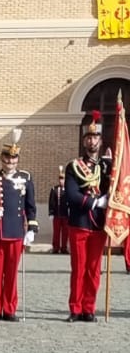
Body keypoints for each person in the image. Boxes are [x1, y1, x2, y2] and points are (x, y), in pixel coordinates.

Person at [0, 130, 36, 320]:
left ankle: (9, 309)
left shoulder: (26, 178)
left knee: (11, 274)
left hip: (16, 232)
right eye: (7, 158)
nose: (10, 161)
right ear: (1, 158)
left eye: (14, 158)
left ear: (17, 159)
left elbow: (30, 206)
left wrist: (32, 229)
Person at [65, 111, 112, 322]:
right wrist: (95, 202)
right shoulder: (74, 166)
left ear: (101, 141)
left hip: (99, 225)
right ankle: (75, 308)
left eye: (95, 137)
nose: (92, 141)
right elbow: (71, 194)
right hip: (80, 223)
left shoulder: (107, 166)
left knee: (94, 270)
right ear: (84, 141)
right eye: (89, 137)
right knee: (79, 269)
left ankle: (89, 308)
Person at [48, 165, 68, 253]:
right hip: (57, 214)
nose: (61, 181)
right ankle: (55, 248)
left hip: (66, 215)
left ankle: (64, 248)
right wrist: (51, 213)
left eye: (63, 179)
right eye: (60, 179)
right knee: (56, 232)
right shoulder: (54, 189)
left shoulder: (68, 189)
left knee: (65, 232)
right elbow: (51, 202)